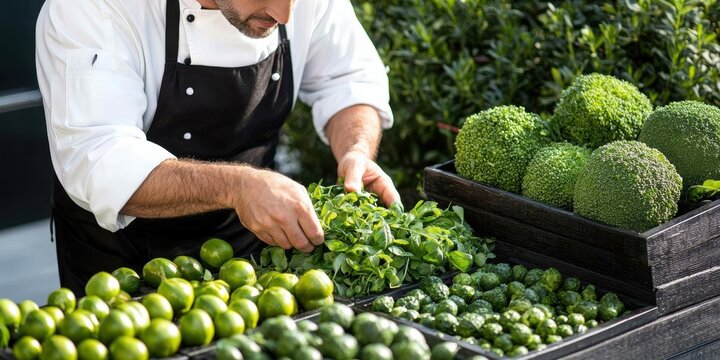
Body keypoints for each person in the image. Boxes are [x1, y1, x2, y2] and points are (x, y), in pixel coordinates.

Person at [35, 0, 400, 294]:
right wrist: (238, 187)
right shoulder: (92, 8)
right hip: (121, 267)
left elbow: (349, 79)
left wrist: (355, 149)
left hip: (250, 263)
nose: (285, 14)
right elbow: (101, 159)